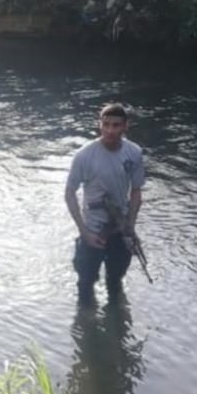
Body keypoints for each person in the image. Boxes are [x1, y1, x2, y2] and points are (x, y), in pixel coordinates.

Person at [65, 103, 146, 303]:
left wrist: (130, 228)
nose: (110, 130)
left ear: (126, 126)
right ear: (99, 125)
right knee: (85, 285)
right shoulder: (84, 155)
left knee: (116, 283)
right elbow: (69, 193)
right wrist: (84, 232)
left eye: (116, 125)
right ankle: (85, 325)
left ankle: (117, 326)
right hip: (93, 230)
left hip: (120, 229)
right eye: (106, 124)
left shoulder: (133, 152)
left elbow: (136, 192)